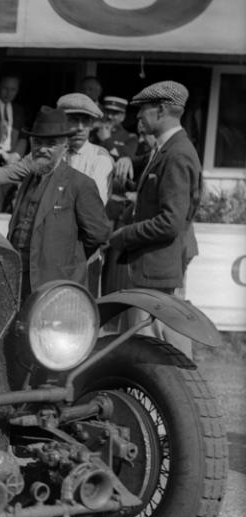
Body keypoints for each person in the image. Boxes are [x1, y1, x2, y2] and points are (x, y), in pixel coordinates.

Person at [108, 81, 201, 357]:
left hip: (154, 270)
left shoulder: (177, 153)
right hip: (151, 267)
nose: (137, 117)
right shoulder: (167, 149)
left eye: (142, 110)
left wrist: (123, 235)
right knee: (151, 347)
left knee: (151, 352)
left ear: (161, 110)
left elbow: (170, 222)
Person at [6, 107, 110, 299]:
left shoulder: (80, 183)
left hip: (55, 284)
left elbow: (98, 234)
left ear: (65, 145)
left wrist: (67, 259)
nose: (42, 149)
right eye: (37, 142)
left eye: (51, 144)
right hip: (18, 279)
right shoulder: (29, 179)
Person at [93, 96, 138, 160]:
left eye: (114, 113)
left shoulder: (130, 138)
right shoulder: (93, 131)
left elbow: (126, 159)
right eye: (107, 112)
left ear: (122, 116)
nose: (109, 116)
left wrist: (107, 140)